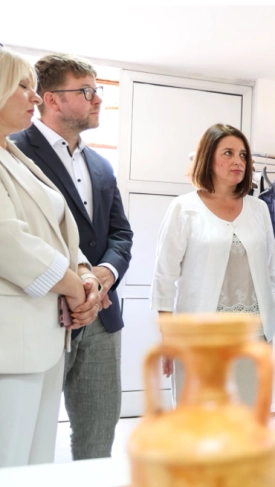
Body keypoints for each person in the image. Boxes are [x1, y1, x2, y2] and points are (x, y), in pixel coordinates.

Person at [11, 53, 133, 460]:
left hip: (101, 314)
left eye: (97, 90)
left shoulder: (101, 165)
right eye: (86, 91)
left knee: (99, 431)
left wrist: (103, 276)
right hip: (41, 310)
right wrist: (76, 283)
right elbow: (21, 237)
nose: (97, 99)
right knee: (29, 436)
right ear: (52, 99)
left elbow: (120, 233)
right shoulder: (14, 150)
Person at [0, 47, 100, 467]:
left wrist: (86, 273)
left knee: (35, 461)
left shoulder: (14, 155)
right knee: (9, 461)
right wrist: (76, 286)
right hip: (11, 342)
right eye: (23, 86)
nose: (35, 96)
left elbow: (57, 231)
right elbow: (9, 241)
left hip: (43, 337)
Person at [150, 123, 275, 406]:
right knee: (198, 419)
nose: (238, 161)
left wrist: (273, 321)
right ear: (208, 158)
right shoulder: (184, 208)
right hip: (199, 337)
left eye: (243, 155)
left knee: (246, 418)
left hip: (252, 335)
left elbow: (272, 270)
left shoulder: (259, 209)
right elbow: (164, 276)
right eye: (228, 153)